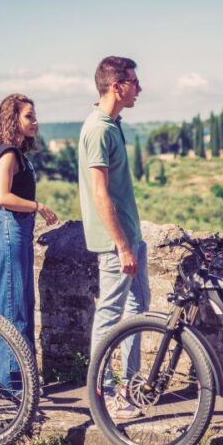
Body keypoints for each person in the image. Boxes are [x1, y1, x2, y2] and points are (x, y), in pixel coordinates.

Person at [78, 56, 150, 419]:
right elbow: (99, 193)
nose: (140, 88)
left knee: (138, 307)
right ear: (116, 86)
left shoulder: (112, 124)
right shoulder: (99, 129)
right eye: (134, 82)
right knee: (110, 315)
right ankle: (103, 394)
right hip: (115, 242)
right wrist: (122, 245)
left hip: (129, 236)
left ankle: (130, 385)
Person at [0, 93, 58, 395]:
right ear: (13, 119)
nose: (35, 121)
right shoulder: (9, 153)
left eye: (34, 115)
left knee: (22, 306)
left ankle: (24, 384)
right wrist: (38, 206)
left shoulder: (17, 153)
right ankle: (10, 389)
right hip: (10, 230)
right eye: (28, 116)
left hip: (18, 232)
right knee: (11, 312)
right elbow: (3, 197)